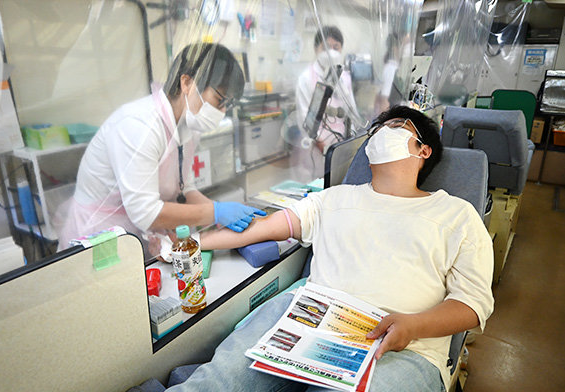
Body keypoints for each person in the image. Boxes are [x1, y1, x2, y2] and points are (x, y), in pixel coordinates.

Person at [166, 105, 494, 391]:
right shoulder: (334, 199)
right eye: (377, 129)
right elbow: (261, 228)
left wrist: (413, 325)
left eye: (394, 127)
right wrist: (188, 244)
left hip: (401, 347)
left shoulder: (455, 215)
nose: (380, 134)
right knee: (216, 381)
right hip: (307, 320)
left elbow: (473, 303)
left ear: (423, 150)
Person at [55, 43, 264, 252]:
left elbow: (185, 188)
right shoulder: (139, 125)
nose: (222, 110)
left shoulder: (188, 126)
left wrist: (218, 214)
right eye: (219, 100)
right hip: (99, 237)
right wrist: (215, 212)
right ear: (187, 83)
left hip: (138, 235)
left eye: (228, 104)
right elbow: (145, 212)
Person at [292, 26, 358, 182]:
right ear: (316, 49)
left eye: (336, 47)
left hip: (341, 144)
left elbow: (352, 110)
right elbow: (304, 116)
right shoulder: (306, 78)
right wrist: (320, 142)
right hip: (316, 148)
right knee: (317, 189)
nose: (331, 52)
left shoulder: (344, 77)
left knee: (339, 183)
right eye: (327, 47)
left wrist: (351, 141)